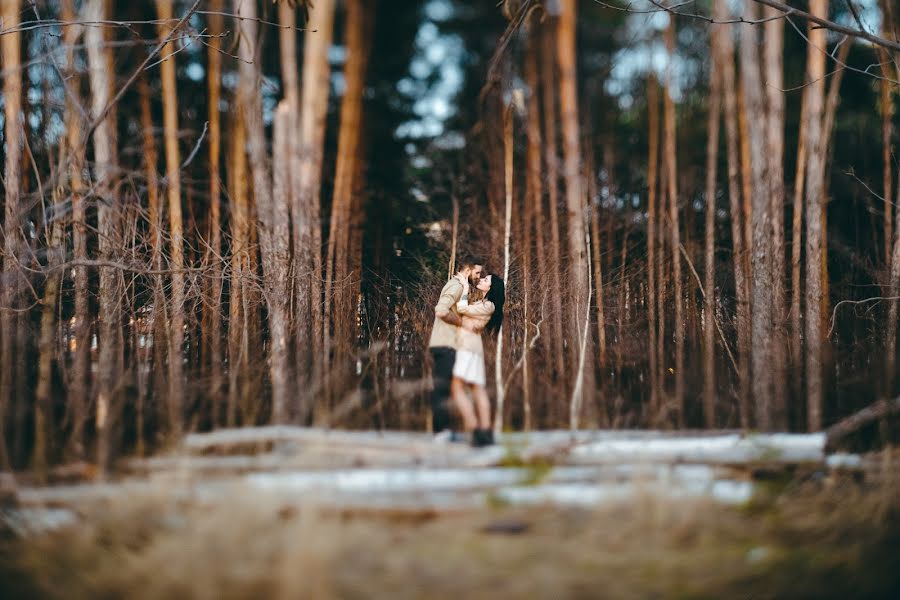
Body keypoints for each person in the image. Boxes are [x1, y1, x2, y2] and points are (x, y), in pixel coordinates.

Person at [428, 256, 484, 436]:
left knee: (451, 388)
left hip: (449, 344)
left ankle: (445, 430)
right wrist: (462, 323)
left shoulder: (461, 287)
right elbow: (441, 310)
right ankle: (441, 432)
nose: (479, 276)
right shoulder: (456, 286)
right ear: (467, 271)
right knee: (443, 388)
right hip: (445, 344)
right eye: (477, 273)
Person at [451, 273, 505, 447]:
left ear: (491, 287)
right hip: (470, 347)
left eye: (485, 280)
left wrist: (465, 289)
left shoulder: (489, 305)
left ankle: (475, 428)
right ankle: (484, 430)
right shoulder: (482, 303)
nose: (481, 280)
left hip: (468, 348)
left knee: (457, 388)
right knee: (476, 388)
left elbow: (462, 309)